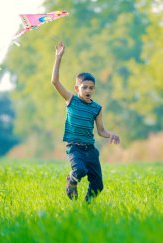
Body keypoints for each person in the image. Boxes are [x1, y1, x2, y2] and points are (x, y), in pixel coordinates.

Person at [51, 40, 120, 202]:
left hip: (91, 149)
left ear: (94, 89)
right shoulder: (71, 100)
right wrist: (58, 57)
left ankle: (86, 208)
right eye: (84, 87)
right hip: (74, 147)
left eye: (91, 87)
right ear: (77, 89)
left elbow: (101, 130)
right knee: (79, 170)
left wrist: (111, 134)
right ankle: (71, 181)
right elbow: (54, 81)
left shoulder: (97, 108)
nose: (88, 90)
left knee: (98, 185)